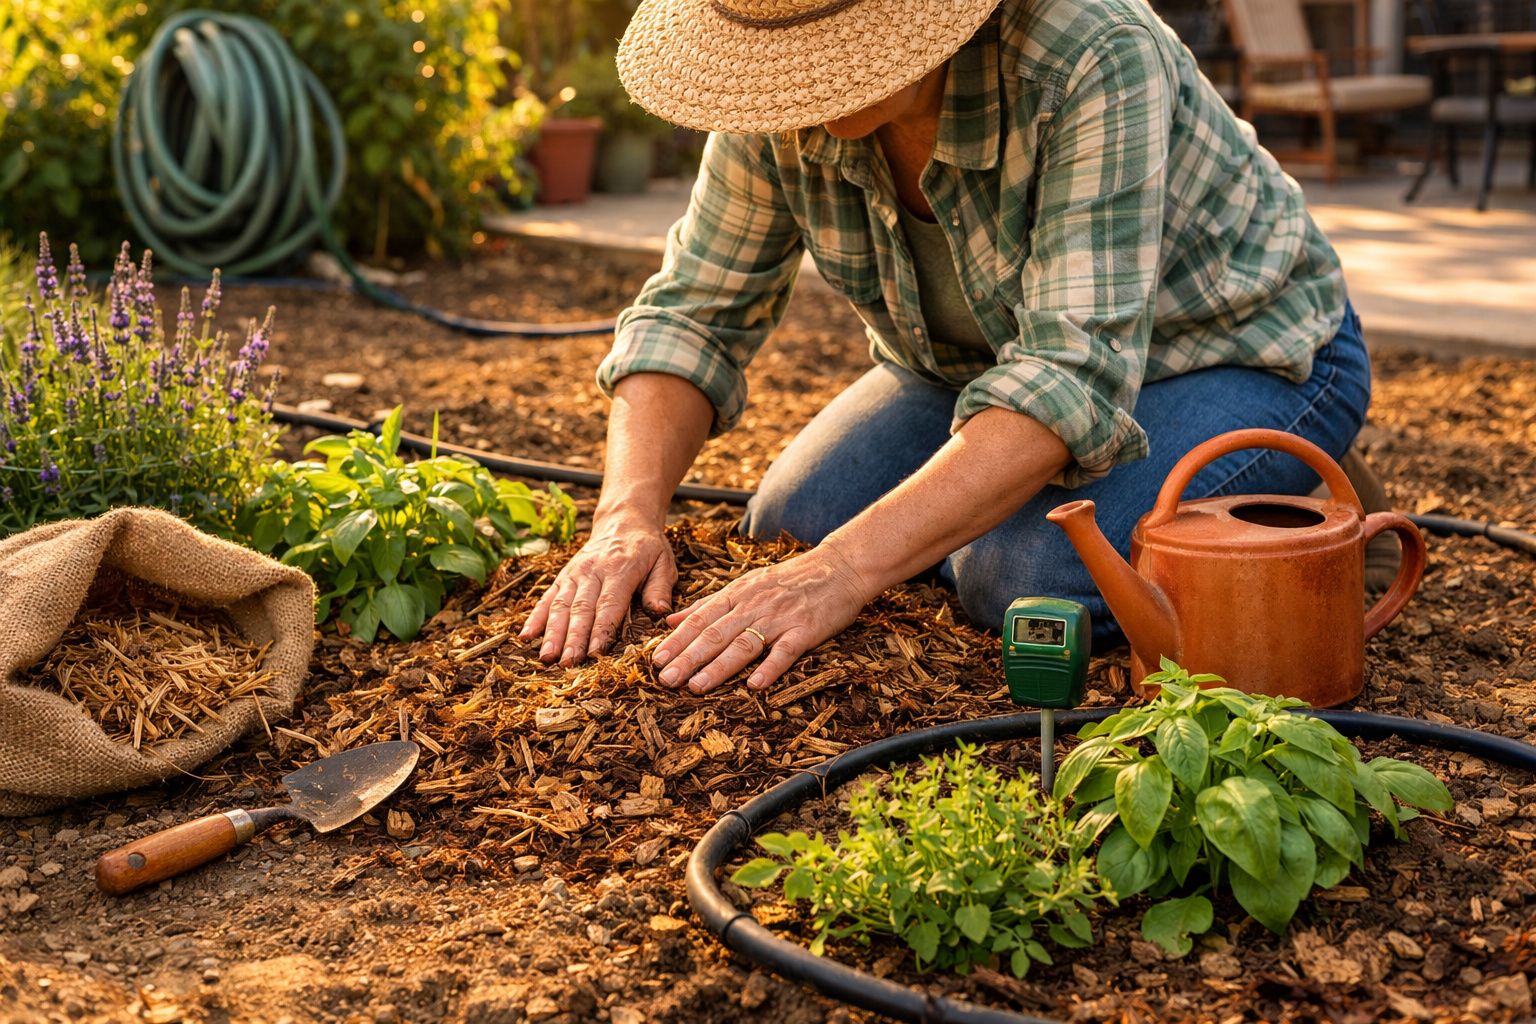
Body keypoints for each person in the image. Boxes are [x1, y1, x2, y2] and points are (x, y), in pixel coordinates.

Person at [520, 0, 1379, 697]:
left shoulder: (1090, 50)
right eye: (789, 55)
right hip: (977, 366)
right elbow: (692, 315)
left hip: (1243, 346)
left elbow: (1068, 378)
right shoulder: (772, 90)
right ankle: (1024, 488)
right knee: (790, 528)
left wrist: (845, 573)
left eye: (834, 47)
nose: (807, 83)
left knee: (1017, 578)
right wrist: (625, 519)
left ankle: (1287, 462)